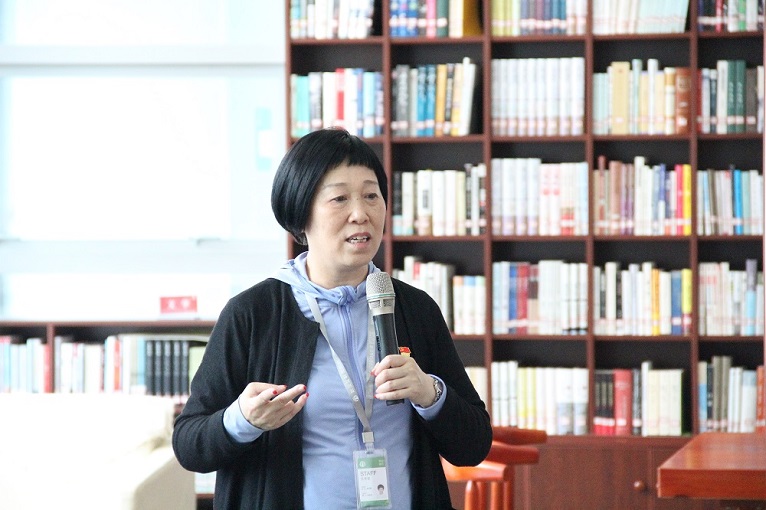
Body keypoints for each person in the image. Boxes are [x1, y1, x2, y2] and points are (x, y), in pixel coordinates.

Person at [172, 127, 492, 509]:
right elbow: (189, 444)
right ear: (301, 213)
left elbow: (474, 444)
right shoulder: (253, 314)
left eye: (371, 195)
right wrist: (243, 419)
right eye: (340, 198)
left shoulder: (415, 308)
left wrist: (430, 393)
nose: (361, 214)